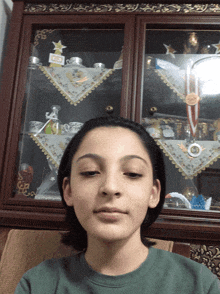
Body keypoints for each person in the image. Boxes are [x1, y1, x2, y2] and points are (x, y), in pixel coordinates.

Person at [15, 116, 220, 293]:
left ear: (153, 193)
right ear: (68, 191)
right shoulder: (38, 284)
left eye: (132, 173)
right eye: (90, 172)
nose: (111, 187)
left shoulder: (199, 285)